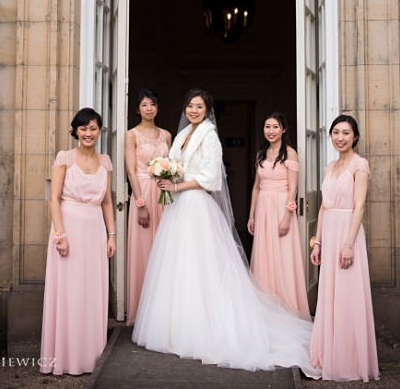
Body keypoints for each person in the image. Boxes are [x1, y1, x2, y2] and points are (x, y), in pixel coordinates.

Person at [133, 89, 321, 378]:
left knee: (204, 267)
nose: (193, 110)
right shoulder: (182, 136)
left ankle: (207, 326)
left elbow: (210, 178)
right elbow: (175, 165)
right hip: (177, 209)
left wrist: (177, 187)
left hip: (196, 205)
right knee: (179, 266)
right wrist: (166, 175)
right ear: (184, 109)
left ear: (207, 111)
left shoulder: (209, 136)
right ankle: (179, 326)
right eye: (190, 106)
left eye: (199, 106)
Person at [40, 108, 116, 376]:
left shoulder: (106, 162)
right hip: (69, 229)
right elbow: (54, 199)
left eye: (93, 128)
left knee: (90, 292)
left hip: (95, 231)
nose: (88, 133)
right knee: (69, 291)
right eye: (83, 129)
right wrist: (60, 235)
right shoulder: (65, 158)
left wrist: (111, 235)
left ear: (99, 131)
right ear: (76, 131)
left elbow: (107, 201)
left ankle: (89, 357)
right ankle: (65, 357)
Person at [309, 115, 379, 381]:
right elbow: (324, 207)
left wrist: (348, 245)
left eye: (346, 133)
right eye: (335, 132)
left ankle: (350, 361)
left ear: (355, 137)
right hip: (330, 231)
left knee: (348, 296)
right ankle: (330, 354)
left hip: (348, 233)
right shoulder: (330, 166)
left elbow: (359, 206)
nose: (340, 137)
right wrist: (318, 243)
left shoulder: (360, 165)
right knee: (330, 296)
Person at [246, 112, 310, 319]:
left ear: (283, 129)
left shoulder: (290, 154)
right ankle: (265, 306)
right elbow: (256, 187)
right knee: (264, 255)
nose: (271, 131)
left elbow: (293, 189)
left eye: (275, 127)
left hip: (281, 206)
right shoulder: (260, 154)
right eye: (267, 126)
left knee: (282, 256)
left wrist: (287, 216)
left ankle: (287, 307)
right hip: (264, 206)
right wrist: (251, 216)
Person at [123, 89, 171, 325]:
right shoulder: (131, 135)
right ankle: (141, 312)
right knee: (144, 251)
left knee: (165, 251)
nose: (149, 108)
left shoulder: (166, 135)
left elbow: (171, 165)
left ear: (157, 107)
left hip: (163, 194)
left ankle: (163, 310)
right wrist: (140, 203)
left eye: (153, 104)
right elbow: (131, 170)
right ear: (137, 109)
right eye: (144, 105)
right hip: (142, 191)